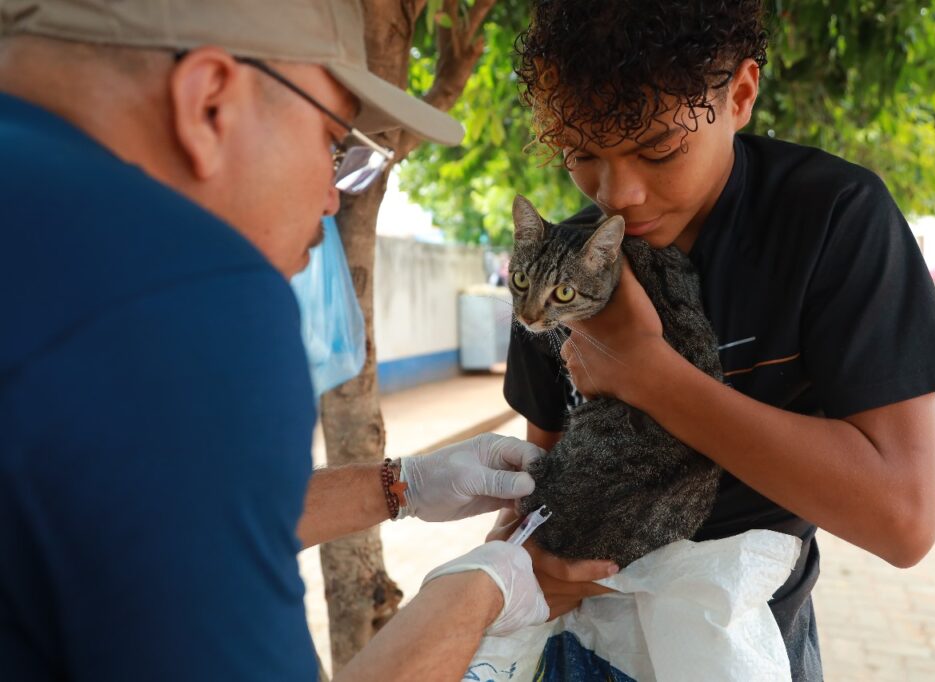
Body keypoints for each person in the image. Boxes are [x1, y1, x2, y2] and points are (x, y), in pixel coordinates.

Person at [0, 1, 615, 680]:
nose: (331, 197)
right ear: (210, 103)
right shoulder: (178, 289)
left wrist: (399, 485)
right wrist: (477, 593)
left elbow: (132, 524)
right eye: (332, 143)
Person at [502, 1, 935, 679]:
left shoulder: (832, 220)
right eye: (582, 154)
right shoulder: (570, 262)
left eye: (659, 149)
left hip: (747, 637)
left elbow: (902, 520)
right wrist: (513, 554)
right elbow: (539, 467)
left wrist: (650, 375)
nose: (620, 195)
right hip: (582, 637)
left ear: (742, 94)